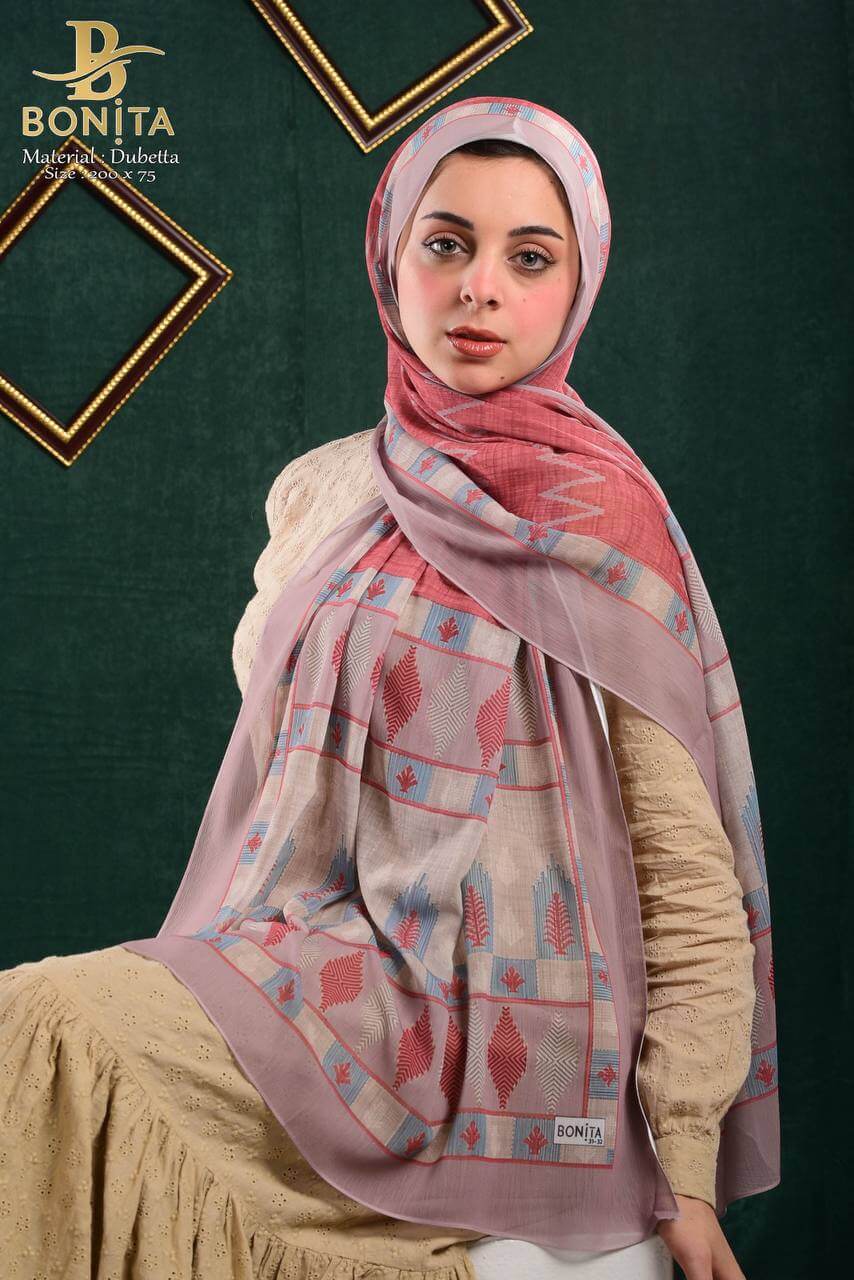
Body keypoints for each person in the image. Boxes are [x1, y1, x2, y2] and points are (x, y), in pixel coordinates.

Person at [0, 96, 779, 1280]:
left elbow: (683, 876)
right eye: (445, 243)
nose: (478, 288)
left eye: (529, 257)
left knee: (44, 1019)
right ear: (388, 258)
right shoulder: (321, 494)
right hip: (316, 970)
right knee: (39, 1029)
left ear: (578, 284)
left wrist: (682, 1157)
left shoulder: (601, 521)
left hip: (514, 1028)